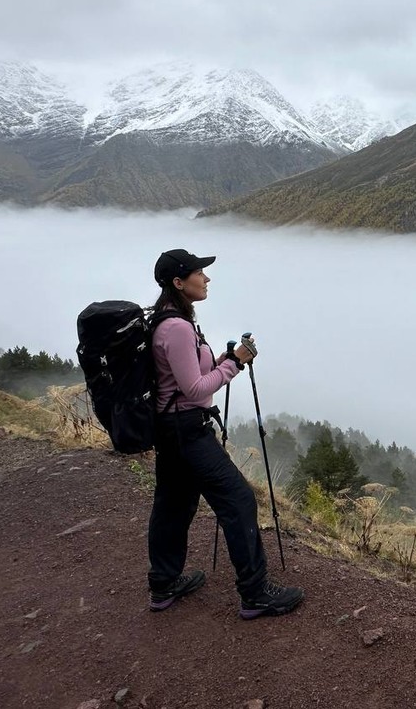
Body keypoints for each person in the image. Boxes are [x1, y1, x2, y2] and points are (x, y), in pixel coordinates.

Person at [147, 248, 304, 619]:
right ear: (178, 282)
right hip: (188, 432)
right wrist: (235, 364)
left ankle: (163, 585)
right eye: (199, 273)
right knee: (238, 502)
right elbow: (195, 390)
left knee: (173, 506)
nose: (206, 278)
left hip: (171, 431)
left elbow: (187, 380)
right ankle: (255, 594)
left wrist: (223, 361)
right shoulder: (178, 328)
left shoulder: (167, 321)